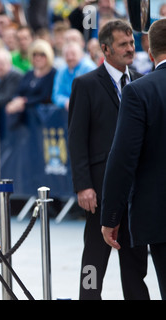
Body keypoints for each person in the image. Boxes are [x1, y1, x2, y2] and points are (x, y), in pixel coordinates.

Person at [68, 19, 149, 300]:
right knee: (93, 261)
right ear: (105, 48)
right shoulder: (86, 84)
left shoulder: (141, 81)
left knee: (136, 264)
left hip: (136, 192)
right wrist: (82, 185)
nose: (130, 48)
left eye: (131, 43)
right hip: (99, 192)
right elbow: (76, 139)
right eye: (123, 44)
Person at [101, 18, 166, 300]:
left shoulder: (139, 91)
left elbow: (123, 158)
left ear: (149, 52)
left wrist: (111, 216)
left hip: (161, 216)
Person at [5, 39, 56, 120]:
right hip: (24, 115)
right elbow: (19, 91)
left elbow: (46, 96)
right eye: (34, 55)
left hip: (42, 118)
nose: (38, 58)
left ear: (48, 55)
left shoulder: (53, 73)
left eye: (42, 55)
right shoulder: (29, 73)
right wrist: (16, 100)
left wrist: (24, 102)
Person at [52, 41, 96, 110]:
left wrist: (74, 102)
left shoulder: (89, 68)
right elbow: (56, 95)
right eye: (67, 55)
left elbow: (93, 95)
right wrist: (65, 102)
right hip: (66, 111)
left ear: (81, 54)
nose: (70, 58)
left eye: (73, 54)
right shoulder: (62, 70)